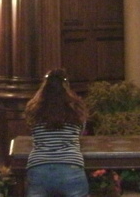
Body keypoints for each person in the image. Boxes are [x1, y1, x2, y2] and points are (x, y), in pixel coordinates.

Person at [24, 69, 89, 197]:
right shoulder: (76, 107)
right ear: (66, 85)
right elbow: (80, 132)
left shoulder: (33, 108)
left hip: (39, 167)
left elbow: (31, 130)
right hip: (70, 167)